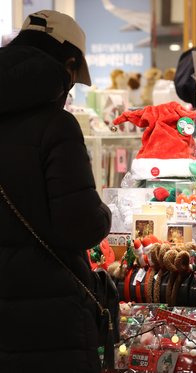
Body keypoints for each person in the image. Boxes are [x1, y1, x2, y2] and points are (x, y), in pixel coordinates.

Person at [0, 10, 111, 372]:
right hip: (49, 323)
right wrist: (104, 214)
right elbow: (80, 225)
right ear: (67, 66)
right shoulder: (56, 127)